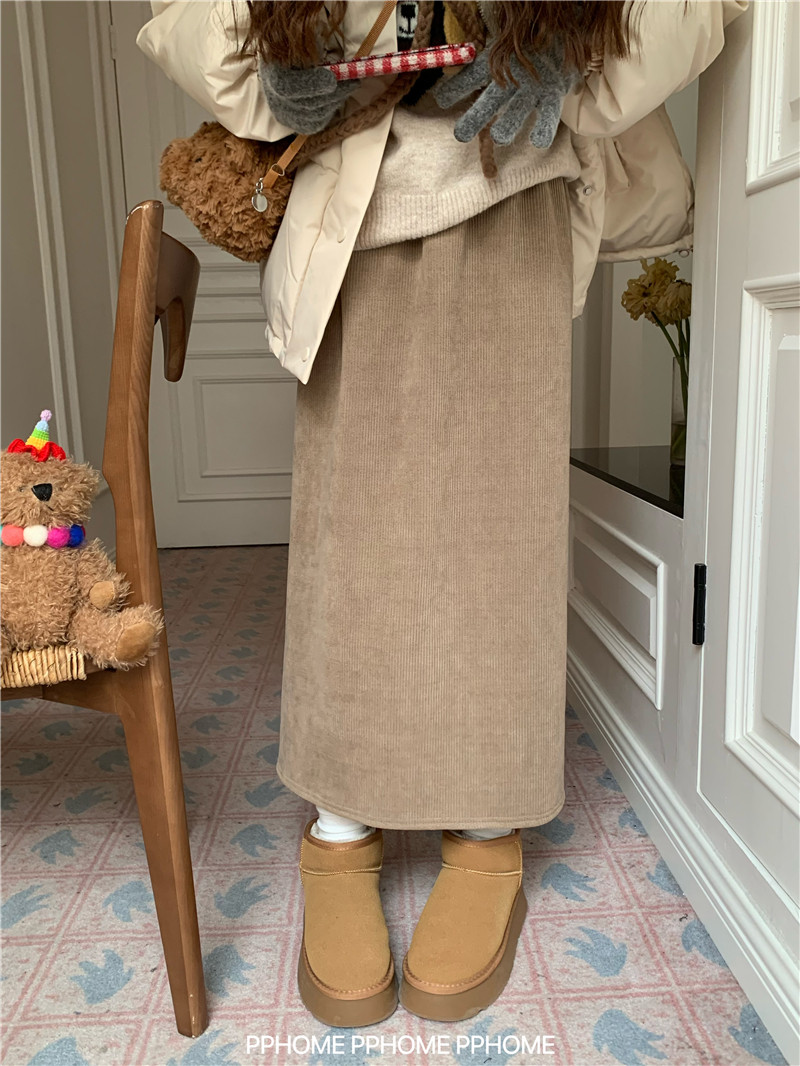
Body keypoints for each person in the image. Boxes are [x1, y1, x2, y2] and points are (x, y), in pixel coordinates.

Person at [138, 0, 748, 1028]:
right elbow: (186, 15)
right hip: (349, 205)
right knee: (350, 545)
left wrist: (574, 63)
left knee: (497, 536)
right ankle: (340, 824)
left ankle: (487, 823)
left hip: (515, 182)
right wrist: (261, 64)